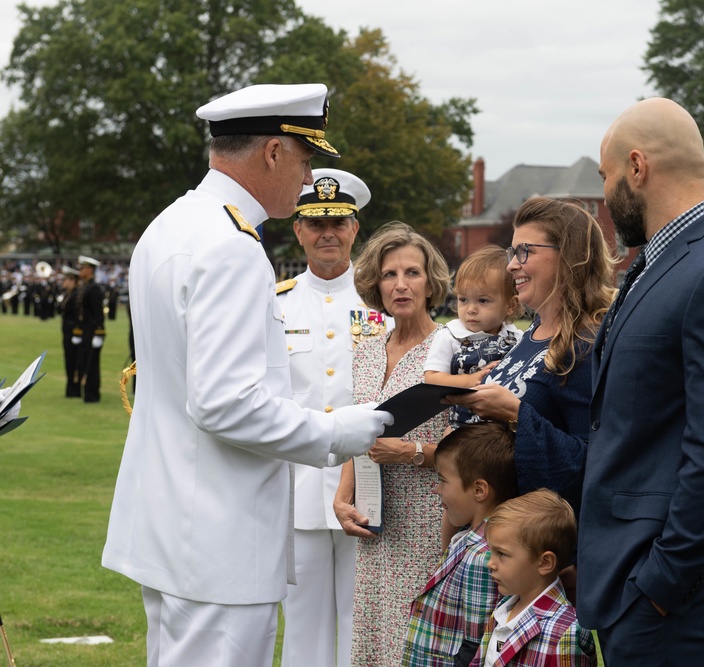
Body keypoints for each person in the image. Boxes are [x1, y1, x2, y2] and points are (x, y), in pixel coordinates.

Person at [101, 83, 394, 667]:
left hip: (171, 518)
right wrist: (338, 433)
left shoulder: (172, 225)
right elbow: (225, 403)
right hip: (218, 531)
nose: (306, 177)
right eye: (306, 160)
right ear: (273, 152)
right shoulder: (230, 246)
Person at [576, 97, 704, 665]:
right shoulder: (659, 263)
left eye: (606, 177)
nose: (604, 196)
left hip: (666, 601)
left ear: (637, 168)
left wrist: (663, 586)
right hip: (626, 585)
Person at [275, 167, 383, 666]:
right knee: (302, 630)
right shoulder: (274, 304)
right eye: (315, 223)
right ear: (298, 229)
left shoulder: (382, 302)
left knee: (360, 627)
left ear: (355, 229)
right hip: (295, 489)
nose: (327, 234)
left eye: (338, 222)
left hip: (368, 485)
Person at [333, 221, 453, 666]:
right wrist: (342, 497)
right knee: (372, 639)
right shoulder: (365, 351)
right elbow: (356, 435)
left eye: (412, 273)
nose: (400, 285)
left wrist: (411, 452)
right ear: (374, 283)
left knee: (415, 644)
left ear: (430, 281)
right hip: (374, 522)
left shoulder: (450, 348)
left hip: (430, 521)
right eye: (389, 275)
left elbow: (479, 451)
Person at [446, 197, 616, 511]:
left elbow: (593, 462)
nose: (511, 264)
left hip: (546, 543)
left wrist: (515, 414)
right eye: (512, 252)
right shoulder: (534, 331)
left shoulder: (585, 345)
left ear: (569, 257)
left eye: (525, 251)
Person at [401, 421, 519, 667]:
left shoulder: (483, 557)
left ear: (479, 490)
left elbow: (475, 645)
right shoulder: (467, 537)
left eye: (443, 480)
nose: (436, 489)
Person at [471, 489, 596, 667]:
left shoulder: (566, 633)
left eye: (502, 554)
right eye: (492, 552)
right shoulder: (504, 608)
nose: (490, 563)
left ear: (545, 563)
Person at [424, 244, 522, 427]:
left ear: (511, 305)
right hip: (463, 427)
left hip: (505, 425)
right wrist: (470, 380)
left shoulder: (516, 338)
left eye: (483, 300)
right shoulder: (451, 336)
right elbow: (432, 378)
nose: (471, 309)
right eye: (463, 299)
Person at [75, 255, 106, 403]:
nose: (80, 270)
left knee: (92, 363)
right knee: (85, 360)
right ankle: (87, 392)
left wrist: (99, 333)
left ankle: (93, 394)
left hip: (93, 330)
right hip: (86, 329)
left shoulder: (94, 288)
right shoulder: (85, 286)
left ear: (89, 269)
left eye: (82, 268)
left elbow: (98, 313)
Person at [57, 266, 82, 398]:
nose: (63, 282)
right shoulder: (68, 293)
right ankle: (70, 387)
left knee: (74, 360)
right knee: (69, 360)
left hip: (73, 332)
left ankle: (74, 389)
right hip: (67, 332)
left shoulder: (77, 294)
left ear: (72, 280)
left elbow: (78, 315)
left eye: (66, 279)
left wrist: (77, 332)